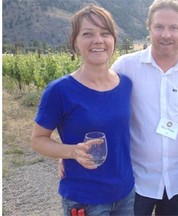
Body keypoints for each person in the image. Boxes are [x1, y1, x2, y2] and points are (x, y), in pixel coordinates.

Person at [111, 0, 178, 215]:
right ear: (149, 28)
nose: (166, 34)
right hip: (135, 181)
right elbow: (99, 105)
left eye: (174, 28)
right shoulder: (125, 66)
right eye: (159, 27)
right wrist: (70, 151)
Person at [30, 5, 135, 216]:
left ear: (114, 40)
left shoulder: (126, 85)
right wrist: (70, 152)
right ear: (75, 42)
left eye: (105, 33)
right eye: (88, 34)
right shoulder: (59, 90)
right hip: (84, 199)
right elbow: (37, 140)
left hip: (125, 193)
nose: (98, 40)